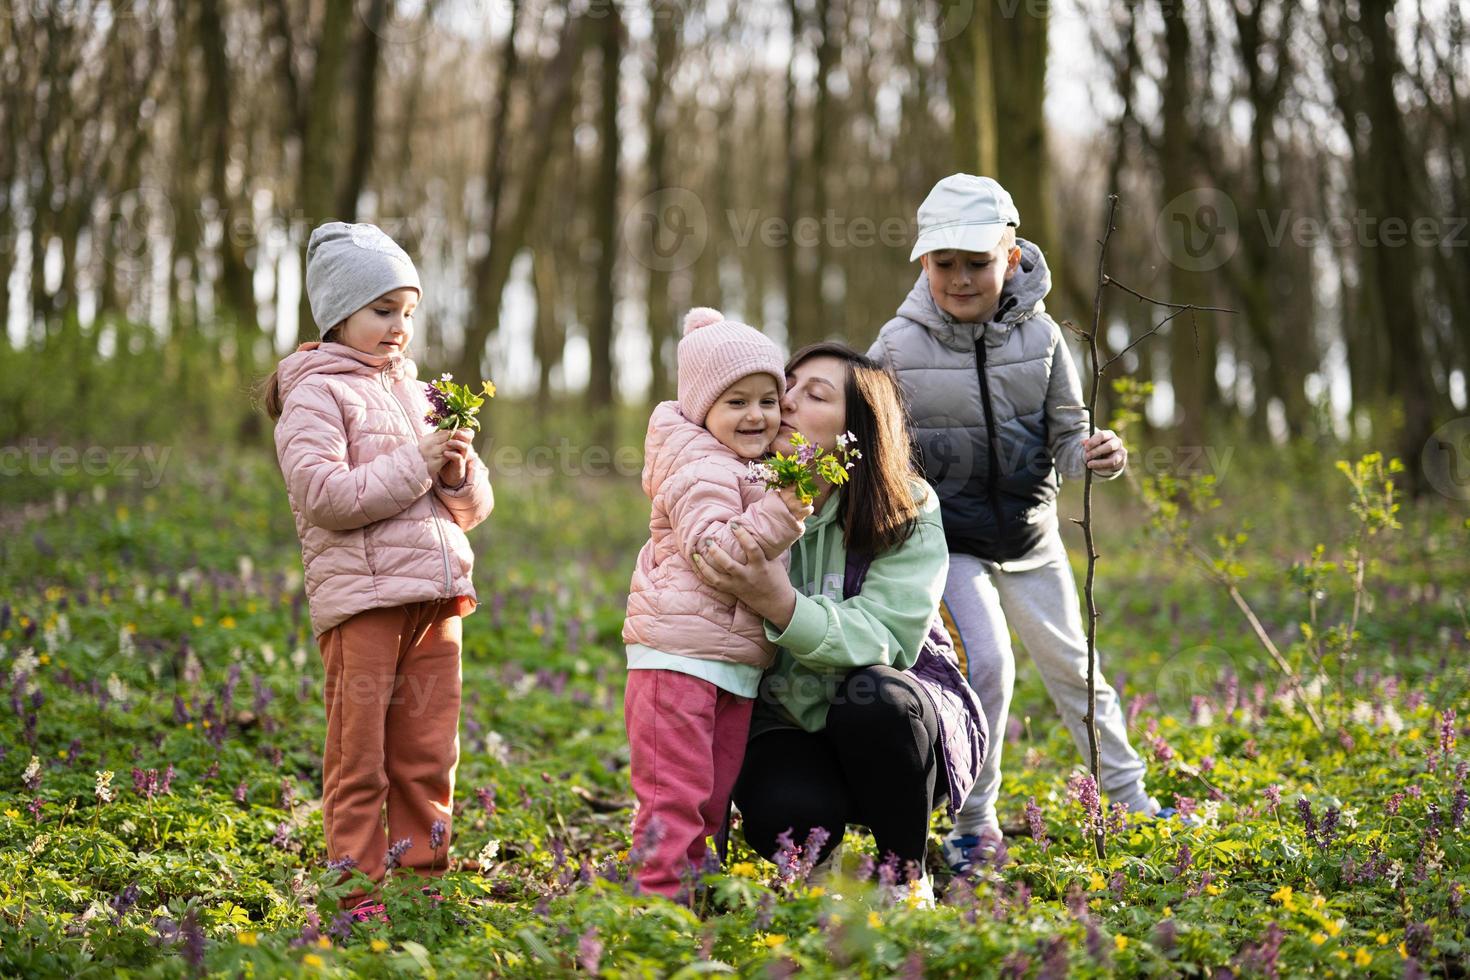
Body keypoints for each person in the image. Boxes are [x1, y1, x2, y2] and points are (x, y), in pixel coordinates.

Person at [867, 173, 1160, 876]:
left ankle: (1129, 800)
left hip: (1033, 535)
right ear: (923, 263)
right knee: (988, 666)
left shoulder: (1045, 336)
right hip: (951, 542)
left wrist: (1097, 454)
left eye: (978, 263)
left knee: (1075, 667)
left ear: (1013, 256)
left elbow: (1067, 431)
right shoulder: (898, 345)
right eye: (945, 264)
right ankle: (975, 821)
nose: (961, 279)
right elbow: (876, 441)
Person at [692, 342, 986, 908]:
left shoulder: (907, 504)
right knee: (787, 809)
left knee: (875, 697)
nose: (786, 400)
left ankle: (904, 877)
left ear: (859, 428)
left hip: (890, 723)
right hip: (786, 720)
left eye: (815, 394)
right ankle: (816, 872)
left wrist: (782, 605)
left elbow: (889, 637)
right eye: (789, 384)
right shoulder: (730, 487)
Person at [262, 222, 494, 918]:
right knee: (359, 759)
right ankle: (356, 891)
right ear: (338, 315)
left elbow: (474, 507)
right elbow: (325, 496)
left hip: (436, 599)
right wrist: (414, 463)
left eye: (408, 313)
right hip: (363, 606)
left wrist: (455, 472)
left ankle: (424, 881)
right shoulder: (314, 394)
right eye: (382, 310)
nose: (399, 327)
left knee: (428, 752)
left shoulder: (420, 393)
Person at [621, 307, 812, 899]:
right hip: (676, 660)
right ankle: (656, 911)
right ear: (704, 409)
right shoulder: (698, 465)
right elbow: (716, 552)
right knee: (673, 798)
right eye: (736, 402)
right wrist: (787, 505)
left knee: (711, 798)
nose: (756, 415)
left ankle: (694, 902)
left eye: (767, 400)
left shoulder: (745, 465)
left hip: (729, 663)